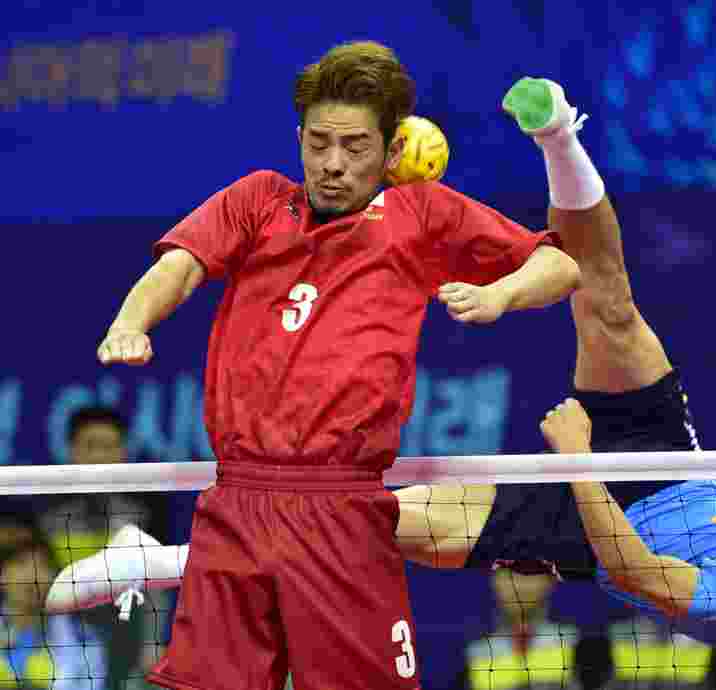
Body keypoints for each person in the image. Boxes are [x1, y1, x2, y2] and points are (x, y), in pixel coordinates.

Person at [50, 79, 716, 664]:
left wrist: (577, 460)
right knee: (608, 294)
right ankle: (559, 131)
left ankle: (162, 562)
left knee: (375, 523)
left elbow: (644, 572)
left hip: (599, 527)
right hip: (668, 463)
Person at [92, 42, 580, 690]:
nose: (332, 164)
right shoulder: (258, 201)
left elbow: (561, 266)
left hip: (342, 508)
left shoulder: (422, 214)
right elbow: (178, 269)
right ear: (298, 137)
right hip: (235, 502)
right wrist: (130, 322)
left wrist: (497, 295)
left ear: (390, 150)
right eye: (318, 142)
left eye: (354, 147)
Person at [38, 406, 166, 690]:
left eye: (108, 446)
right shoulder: (46, 515)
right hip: (66, 641)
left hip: (127, 636)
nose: (99, 456)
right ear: (72, 451)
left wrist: (152, 645)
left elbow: (157, 590)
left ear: (124, 453)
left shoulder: (144, 511)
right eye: (90, 446)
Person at [0, 518, 107, 690]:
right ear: (3, 575)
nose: (32, 575)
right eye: (21, 564)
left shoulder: (84, 639)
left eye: (42, 565)